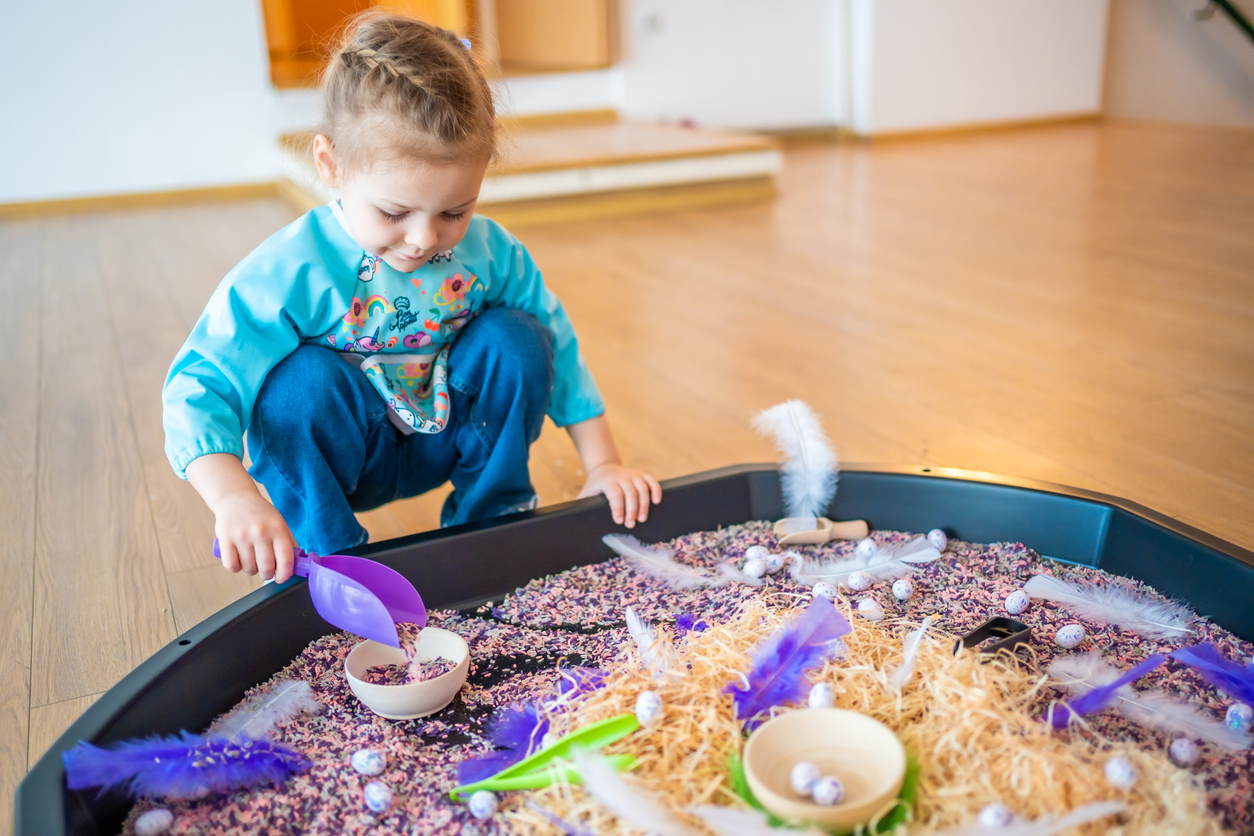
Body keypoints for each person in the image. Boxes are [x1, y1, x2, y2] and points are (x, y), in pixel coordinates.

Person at [161, 13, 661, 584]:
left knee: (517, 339)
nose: (425, 239)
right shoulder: (289, 268)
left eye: (454, 211)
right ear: (329, 164)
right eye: (394, 213)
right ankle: (332, 564)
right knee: (293, 387)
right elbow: (198, 386)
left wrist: (603, 464)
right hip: (350, 454)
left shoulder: (492, 253)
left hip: (444, 435)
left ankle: (490, 527)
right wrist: (233, 498)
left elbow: (558, 347)